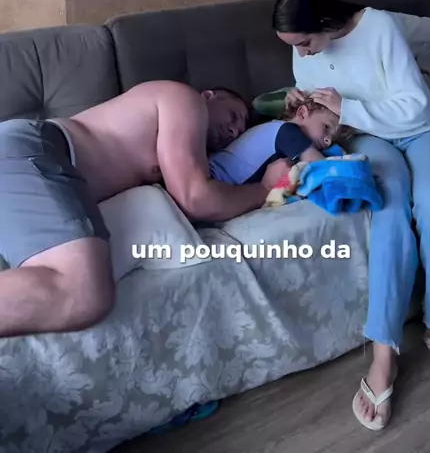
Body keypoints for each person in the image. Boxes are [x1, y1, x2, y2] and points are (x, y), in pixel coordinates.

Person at [273, 0, 430, 431]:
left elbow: (416, 105)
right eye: (294, 47)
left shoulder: (378, 27)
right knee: (389, 210)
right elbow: (321, 110)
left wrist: (347, 106)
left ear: (322, 22)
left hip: (423, 130)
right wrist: (304, 105)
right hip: (366, 138)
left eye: (304, 42)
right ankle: (383, 354)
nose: (302, 53)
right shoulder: (305, 55)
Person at [0, 81, 284, 338]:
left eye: (240, 131)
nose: (234, 130)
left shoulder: (185, 151)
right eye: (233, 115)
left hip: (27, 172)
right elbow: (196, 198)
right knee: (82, 292)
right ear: (209, 95)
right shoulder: (183, 98)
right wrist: (264, 188)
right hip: (31, 148)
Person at [209, 91, 351, 186]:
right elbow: (323, 168)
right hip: (214, 180)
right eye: (326, 127)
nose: (328, 141)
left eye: (332, 138)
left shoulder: (272, 129)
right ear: (302, 113)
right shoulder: (286, 131)